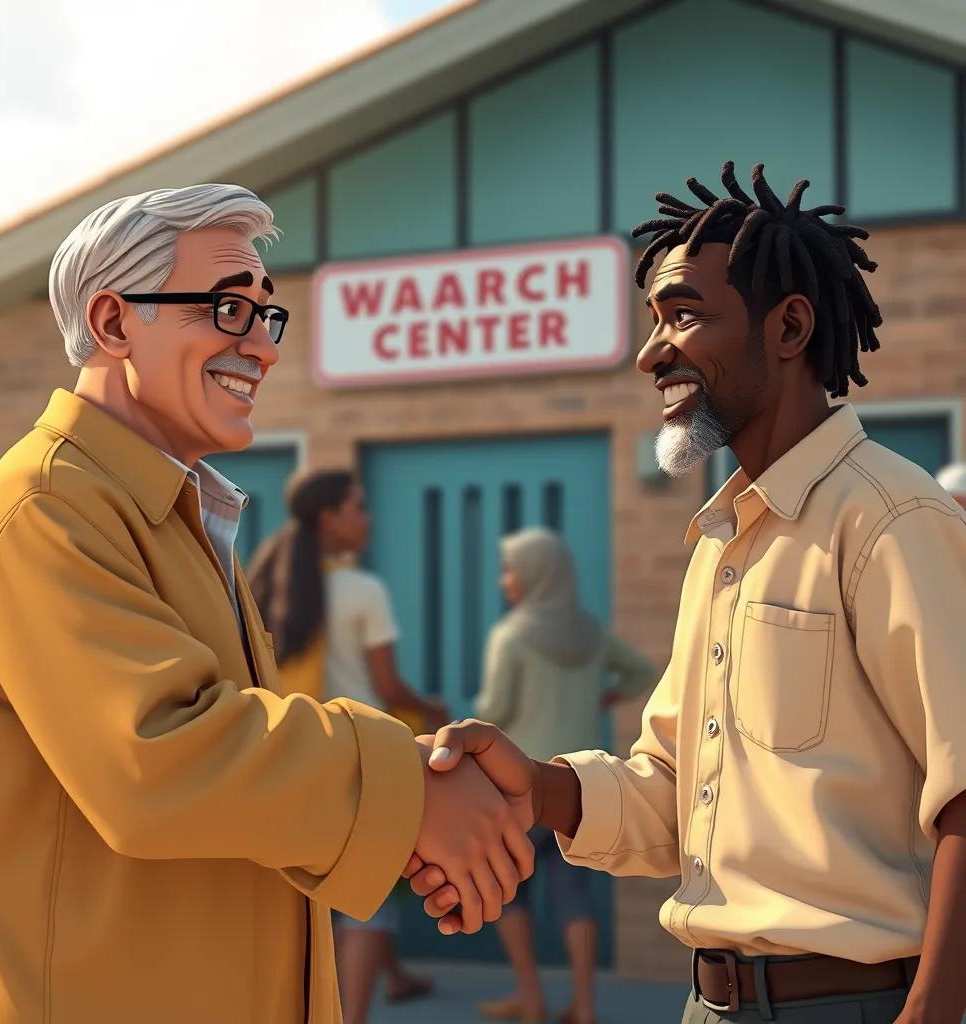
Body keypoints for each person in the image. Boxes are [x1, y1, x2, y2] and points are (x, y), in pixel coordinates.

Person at [0, 184, 533, 1023]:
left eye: (267, 314)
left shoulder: (168, 515)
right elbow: (160, 758)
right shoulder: (45, 507)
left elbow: (239, 771)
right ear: (114, 325)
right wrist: (412, 791)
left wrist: (407, 813)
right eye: (226, 309)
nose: (262, 346)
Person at [407, 162, 966, 1024]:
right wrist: (536, 789)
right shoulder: (719, 543)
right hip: (710, 1005)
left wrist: (935, 1007)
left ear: (788, 326)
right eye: (655, 320)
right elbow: (672, 792)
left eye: (684, 315)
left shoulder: (893, 519)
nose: (649, 353)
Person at [248, 468, 449, 1023]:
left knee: (313, 896)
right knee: (373, 901)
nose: (368, 516)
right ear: (329, 517)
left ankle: (395, 977)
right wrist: (431, 709)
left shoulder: (269, 580)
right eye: (359, 506)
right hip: (363, 761)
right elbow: (386, 688)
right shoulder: (364, 590)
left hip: (294, 758)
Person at [473, 527, 657, 1024]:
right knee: (574, 897)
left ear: (535, 574)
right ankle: (586, 1006)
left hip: (516, 787)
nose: (504, 580)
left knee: (510, 892)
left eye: (510, 569)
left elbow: (493, 710)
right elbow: (643, 672)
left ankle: (531, 1001)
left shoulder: (510, 636)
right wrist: (602, 700)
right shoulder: (590, 633)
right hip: (576, 787)